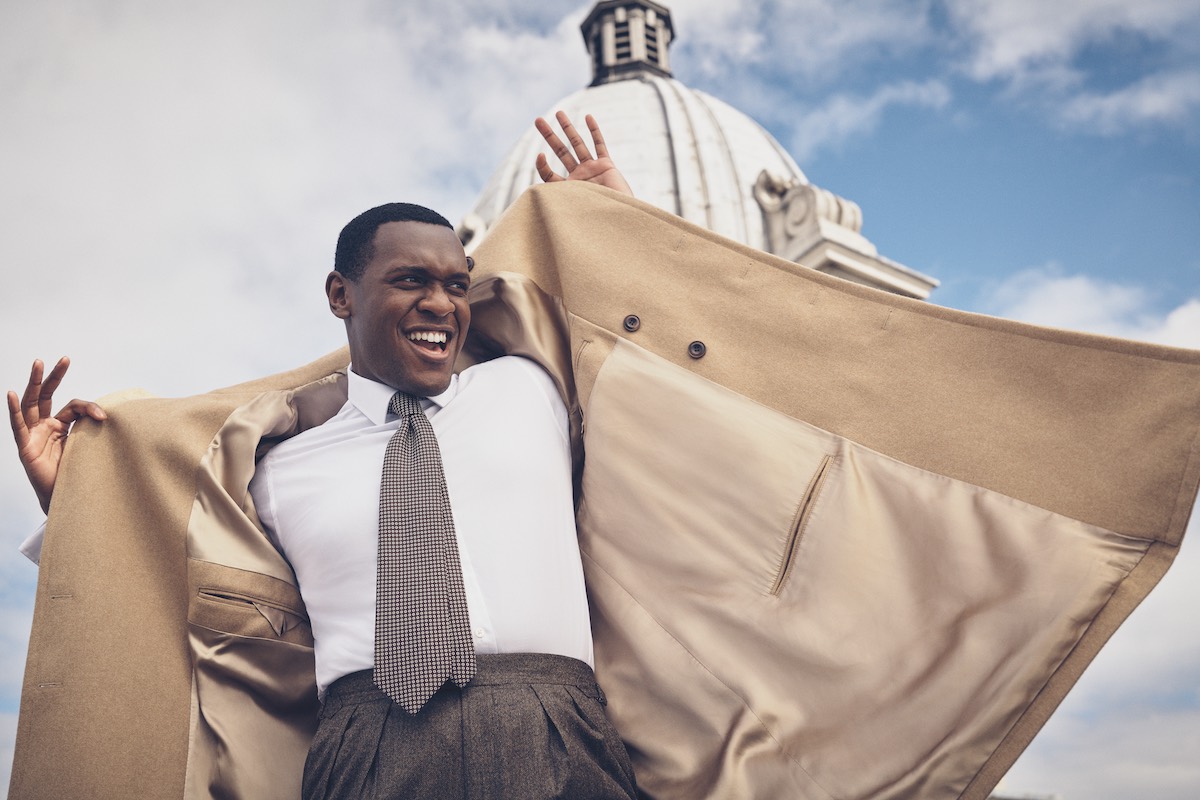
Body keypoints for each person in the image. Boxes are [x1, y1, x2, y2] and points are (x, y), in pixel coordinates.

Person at [9, 111, 637, 800]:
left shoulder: (533, 387)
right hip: (369, 749)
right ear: (341, 294)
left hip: (559, 732)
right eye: (410, 281)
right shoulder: (276, 467)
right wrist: (76, 497)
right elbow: (164, 574)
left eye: (457, 284)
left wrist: (620, 228)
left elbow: (672, 390)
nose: (441, 304)